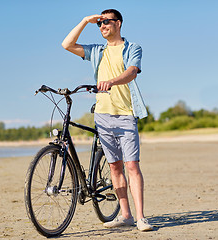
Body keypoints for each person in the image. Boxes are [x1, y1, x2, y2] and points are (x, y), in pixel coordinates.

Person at [62, 9, 153, 231]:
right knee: (114, 168)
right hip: (103, 115)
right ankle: (126, 215)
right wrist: (85, 20)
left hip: (125, 113)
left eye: (106, 22)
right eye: (99, 23)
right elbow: (67, 44)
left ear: (118, 23)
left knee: (132, 165)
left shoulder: (132, 48)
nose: (102, 26)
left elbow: (132, 72)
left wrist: (111, 81)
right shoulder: (96, 51)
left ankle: (140, 218)